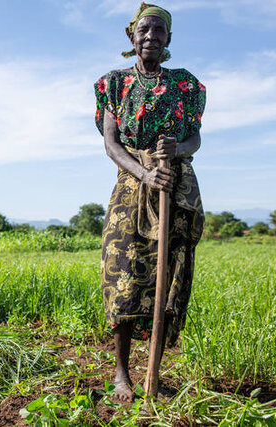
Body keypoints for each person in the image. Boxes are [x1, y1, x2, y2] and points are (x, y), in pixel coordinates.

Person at [94, 3, 206, 401]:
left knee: (166, 278)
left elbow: (195, 139)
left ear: (169, 39)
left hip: (174, 186)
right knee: (122, 273)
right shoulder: (114, 83)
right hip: (132, 187)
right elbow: (111, 143)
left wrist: (176, 149)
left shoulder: (186, 85)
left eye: (159, 31)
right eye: (144, 30)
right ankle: (122, 374)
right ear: (131, 36)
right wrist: (144, 172)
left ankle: (153, 374)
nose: (151, 37)